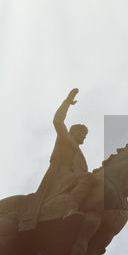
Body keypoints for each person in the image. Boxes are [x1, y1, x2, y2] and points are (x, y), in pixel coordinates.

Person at [19, 88, 92, 231]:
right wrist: (67, 102)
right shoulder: (65, 138)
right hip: (60, 177)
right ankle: (70, 209)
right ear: (73, 132)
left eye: (85, 135)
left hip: (73, 180)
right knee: (88, 178)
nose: (84, 136)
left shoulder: (82, 157)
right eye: (81, 133)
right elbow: (58, 120)